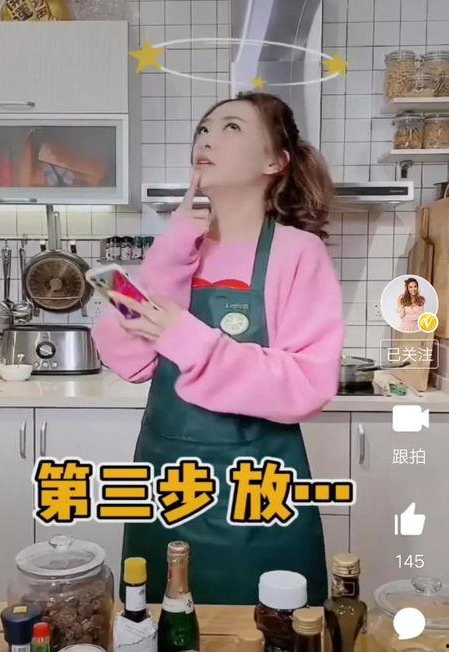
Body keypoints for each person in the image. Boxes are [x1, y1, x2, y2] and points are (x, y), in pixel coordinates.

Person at [91, 91, 344, 606]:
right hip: (168, 487)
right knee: (159, 624)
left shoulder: (298, 252)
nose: (206, 138)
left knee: (268, 629)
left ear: (275, 162)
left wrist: (186, 338)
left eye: (231, 127)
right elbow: (127, 357)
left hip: (257, 494)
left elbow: (307, 385)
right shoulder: (176, 249)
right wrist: (172, 248)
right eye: (203, 129)